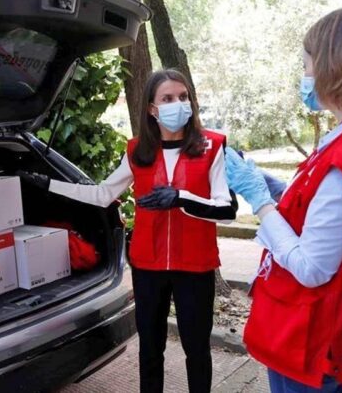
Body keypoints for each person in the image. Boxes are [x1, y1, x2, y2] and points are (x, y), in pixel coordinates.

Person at [225, 5, 342, 392]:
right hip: (340, 326)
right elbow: (339, 206)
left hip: (312, 335)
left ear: (335, 66)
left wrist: (259, 200)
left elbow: (312, 267)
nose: (305, 76)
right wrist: (276, 186)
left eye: (308, 65)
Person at [19, 69, 237, 393]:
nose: (178, 103)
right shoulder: (137, 151)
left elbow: (228, 210)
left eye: (183, 97)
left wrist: (181, 198)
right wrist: (48, 184)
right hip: (148, 266)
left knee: (197, 351)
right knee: (150, 350)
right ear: (152, 108)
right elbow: (102, 194)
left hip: (195, 265)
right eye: (167, 98)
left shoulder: (211, 146)